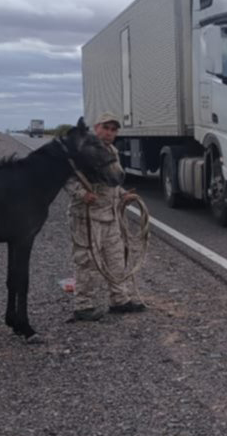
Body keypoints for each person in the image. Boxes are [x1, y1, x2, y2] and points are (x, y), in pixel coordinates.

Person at [65, 112, 146, 321]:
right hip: (87, 217)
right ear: (96, 127)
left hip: (110, 215)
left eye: (113, 129)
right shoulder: (82, 150)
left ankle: (119, 300)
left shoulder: (112, 151)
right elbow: (67, 177)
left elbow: (113, 182)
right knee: (87, 262)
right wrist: (82, 194)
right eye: (106, 128)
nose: (110, 133)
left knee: (116, 259)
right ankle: (83, 305)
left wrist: (123, 194)